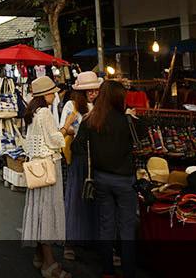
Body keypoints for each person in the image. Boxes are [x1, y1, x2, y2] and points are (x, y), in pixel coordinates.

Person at [73, 80, 136, 278]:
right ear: (119, 98)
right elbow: (143, 144)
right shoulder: (129, 121)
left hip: (101, 178)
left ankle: (107, 270)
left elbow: (77, 147)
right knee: (126, 228)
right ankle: (128, 271)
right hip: (125, 180)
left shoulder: (91, 120)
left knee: (105, 226)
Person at [21, 76, 67, 278]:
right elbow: (55, 140)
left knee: (39, 210)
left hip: (36, 168)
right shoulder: (46, 113)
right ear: (46, 94)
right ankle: (50, 264)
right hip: (48, 166)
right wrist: (67, 128)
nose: (54, 95)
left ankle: (39, 256)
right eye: (52, 92)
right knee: (47, 211)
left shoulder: (32, 113)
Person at [60, 71, 102, 261]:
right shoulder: (72, 105)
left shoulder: (102, 106)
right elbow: (64, 128)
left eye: (95, 90)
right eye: (89, 90)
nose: (93, 93)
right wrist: (78, 128)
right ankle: (71, 242)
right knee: (76, 197)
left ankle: (94, 238)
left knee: (96, 200)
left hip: (97, 157)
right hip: (79, 157)